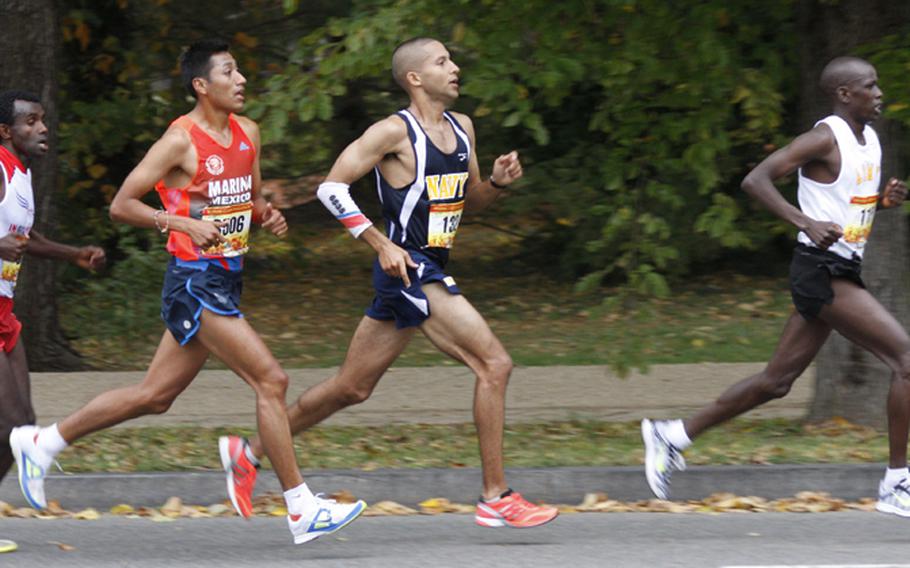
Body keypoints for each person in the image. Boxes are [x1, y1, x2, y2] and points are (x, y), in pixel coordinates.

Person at [9, 40, 364, 545]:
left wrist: (267, 214)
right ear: (201, 85)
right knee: (272, 380)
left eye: (240, 70)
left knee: (155, 397)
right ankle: (301, 507)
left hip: (226, 276)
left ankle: (43, 442)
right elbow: (121, 204)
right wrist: (178, 221)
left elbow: (251, 197)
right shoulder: (180, 139)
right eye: (228, 71)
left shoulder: (249, 133)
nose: (240, 79)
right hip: (194, 280)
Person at [218, 37, 558, 529]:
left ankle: (247, 452)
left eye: (453, 60)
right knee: (494, 364)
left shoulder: (463, 129)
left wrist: (498, 185)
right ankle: (495, 495)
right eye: (443, 62)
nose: (455, 68)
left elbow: (467, 206)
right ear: (415, 78)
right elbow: (330, 189)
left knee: (351, 389)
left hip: (423, 266)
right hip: (411, 268)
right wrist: (379, 242)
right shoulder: (391, 132)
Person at [641, 56, 910, 516]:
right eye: (870, 85)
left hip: (839, 268)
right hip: (820, 271)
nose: (879, 93)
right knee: (906, 359)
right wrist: (803, 221)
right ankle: (897, 483)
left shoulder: (868, 141)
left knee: (777, 382)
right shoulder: (823, 137)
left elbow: (844, 206)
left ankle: (673, 434)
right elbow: (755, 179)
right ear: (845, 94)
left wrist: (880, 205)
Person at [0, 89, 106, 553]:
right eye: (30, 122)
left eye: (42, 120)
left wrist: (72, 254)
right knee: (13, 426)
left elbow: (23, 237)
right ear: (6, 131)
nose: (42, 128)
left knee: (23, 427)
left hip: (5, 313)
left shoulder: (19, 175)